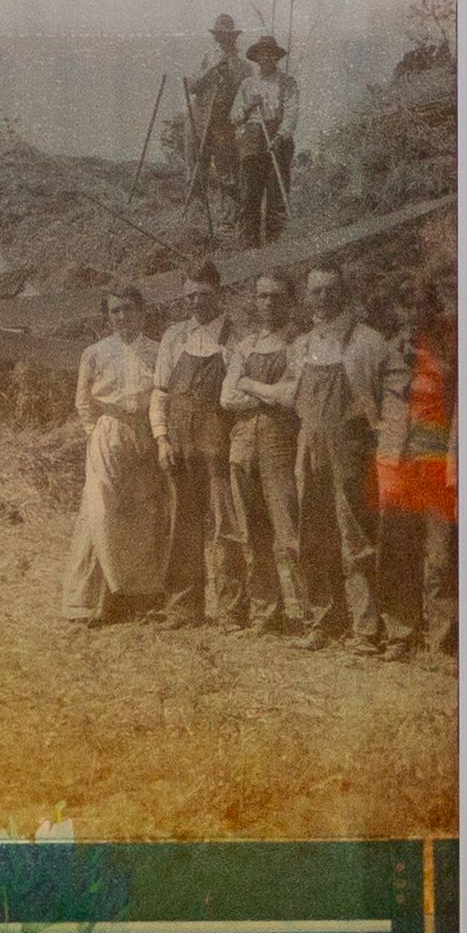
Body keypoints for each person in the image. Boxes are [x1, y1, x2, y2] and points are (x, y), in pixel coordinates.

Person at [288, 264, 399, 648]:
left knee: (355, 534)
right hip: (310, 446)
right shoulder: (301, 346)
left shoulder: (367, 341)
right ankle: (324, 621)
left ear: (343, 292)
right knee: (313, 532)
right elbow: (293, 396)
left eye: (330, 290)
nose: (323, 298)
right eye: (316, 291)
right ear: (307, 296)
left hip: (351, 448)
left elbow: (391, 397)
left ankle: (367, 628)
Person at [61, 288, 170, 625]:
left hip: (145, 432)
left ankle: (137, 598)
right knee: (101, 510)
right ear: (108, 316)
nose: (123, 316)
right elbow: (83, 400)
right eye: (116, 311)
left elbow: (162, 394)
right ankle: (88, 602)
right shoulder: (95, 353)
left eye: (129, 309)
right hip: (108, 432)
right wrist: (95, 432)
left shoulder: (157, 350)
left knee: (142, 511)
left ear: (142, 311)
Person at [371, 270, 456, 657]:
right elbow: (365, 394)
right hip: (395, 460)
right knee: (397, 549)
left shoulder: (451, 349)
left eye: (420, 307)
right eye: (405, 308)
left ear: (433, 310)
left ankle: (443, 640)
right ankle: (401, 633)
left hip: (436, 460)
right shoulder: (384, 349)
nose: (412, 315)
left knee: (440, 554)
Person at [150, 262, 235, 628]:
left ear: (218, 293)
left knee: (225, 524)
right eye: (190, 296)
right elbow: (160, 392)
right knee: (183, 523)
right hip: (180, 441)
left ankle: (232, 610)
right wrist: (162, 439)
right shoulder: (174, 336)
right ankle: (184, 608)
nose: (196, 302)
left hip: (218, 440)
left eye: (203, 295)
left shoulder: (233, 335)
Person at [218, 272, 303, 632]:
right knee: (252, 533)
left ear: (290, 301)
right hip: (242, 442)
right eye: (262, 296)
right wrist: (267, 394)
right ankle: (266, 612)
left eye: (276, 296)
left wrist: (248, 384)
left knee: (289, 530)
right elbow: (227, 397)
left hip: (279, 442)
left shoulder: (298, 342)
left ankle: (311, 616)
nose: (268, 303)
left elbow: (289, 396)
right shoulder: (245, 345)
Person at [236, 34, 300, 248]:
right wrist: (247, 108)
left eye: (270, 54)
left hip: (278, 139)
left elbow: (291, 113)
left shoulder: (287, 82)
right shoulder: (247, 84)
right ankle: (250, 246)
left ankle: (275, 244)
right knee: (250, 194)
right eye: (261, 54)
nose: (265, 58)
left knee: (276, 193)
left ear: (275, 57)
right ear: (256, 57)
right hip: (253, 140)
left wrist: (281, 136)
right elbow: (235, 118)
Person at [186, 17, 247, 229]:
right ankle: (198, 220)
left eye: (227, 36)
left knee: (226, 171)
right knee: (195, 169)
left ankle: (228, 220)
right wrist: (211, 69)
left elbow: (242, 100)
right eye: (219, 35)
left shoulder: (242, 67)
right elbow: (191, 86)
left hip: (222, 123)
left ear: (233, 38)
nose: (223, 40)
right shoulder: (207, 58)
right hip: (198, 119)